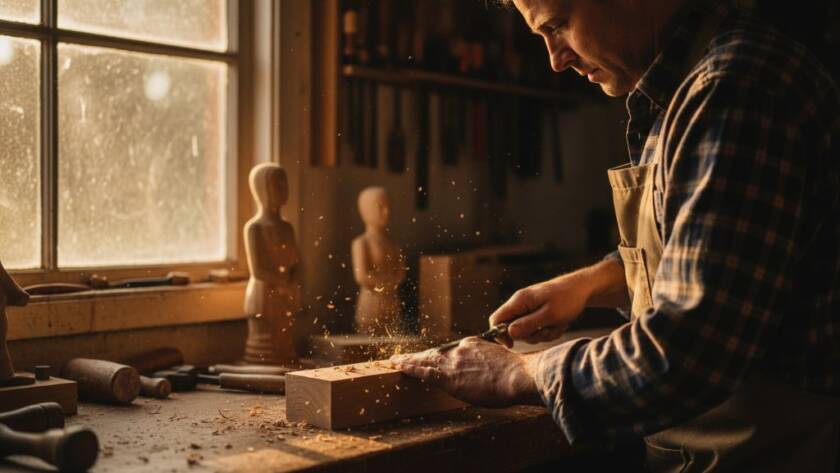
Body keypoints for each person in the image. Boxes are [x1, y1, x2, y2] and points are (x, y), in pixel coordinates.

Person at [391, 0, 840, 470]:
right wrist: (593, 283)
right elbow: (724, 261)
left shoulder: (733, 90)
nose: (555, 58)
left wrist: (524, 373)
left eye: (560, 25)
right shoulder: (684, 91)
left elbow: (689, 352)